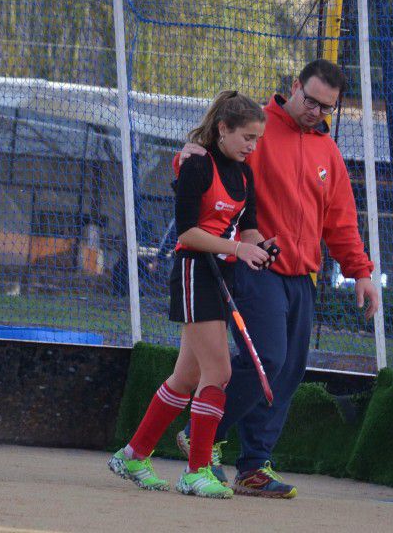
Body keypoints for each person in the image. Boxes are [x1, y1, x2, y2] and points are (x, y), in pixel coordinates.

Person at [175, 59, 380, 498]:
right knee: (266, 356)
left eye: (327, 108)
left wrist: (361, 272)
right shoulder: (259, 131)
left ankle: (254, 466)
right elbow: (208, 156)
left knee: (287, 370)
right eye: (311, 101)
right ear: (294, 87)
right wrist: (185, 156)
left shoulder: (329, 152)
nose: (315, 112)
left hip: (303, 274)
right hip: (256, 267)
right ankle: (201, 436)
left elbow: (341, 220)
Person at [108, 91, 277, 499]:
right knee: (217, 373)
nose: (252, 146)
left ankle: (133, 454)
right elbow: (186, 232)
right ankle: (196, 471)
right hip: (193, 273)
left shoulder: (244, 173)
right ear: (223, 129)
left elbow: (248, 228)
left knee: (187, 378)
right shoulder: (197, 165)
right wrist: (238, 248)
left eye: (257, 139)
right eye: (247, 137)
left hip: (223, 277)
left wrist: (263, 246)